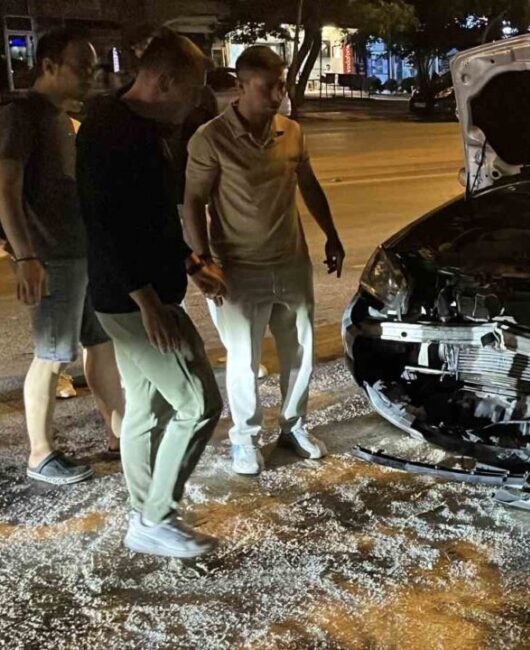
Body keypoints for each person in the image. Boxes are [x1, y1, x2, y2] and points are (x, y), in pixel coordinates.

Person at [77, 29, 228, 558]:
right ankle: (156, 516)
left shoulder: (136, 128)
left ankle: (147, 512)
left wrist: (190, 263)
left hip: (135, 295)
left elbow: (154, 219)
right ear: (164, 82)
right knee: (199, 404)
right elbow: (105, 225)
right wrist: (148, 303)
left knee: (147, 409)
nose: (193, 106)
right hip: (133, 301)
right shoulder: (109, 133)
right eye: (191, 93)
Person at [183, 45, 345, 476]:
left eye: (282, 84)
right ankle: (245, 438)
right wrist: (201, 263)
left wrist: (331, 235)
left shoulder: (291, 131)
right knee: (244, 360)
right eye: (267, 87)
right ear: (239, 86)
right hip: (237, 271)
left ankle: (294, 427)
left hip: (291, 263)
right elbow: (193, 202)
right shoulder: (210, 138)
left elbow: (308, 185)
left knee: (300, 354)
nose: (278, 95)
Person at [0, 27, 125, 485]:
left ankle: (121, 434)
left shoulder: (61, 116)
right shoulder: (22, 116)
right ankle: (40, 453)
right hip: (52, 255)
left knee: (101, 342)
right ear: (49, 65)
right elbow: (6, 190)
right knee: (52, 356)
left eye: (94, 67)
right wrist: (25, 257)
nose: (90, 76)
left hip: (82, 252)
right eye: (81, 66)